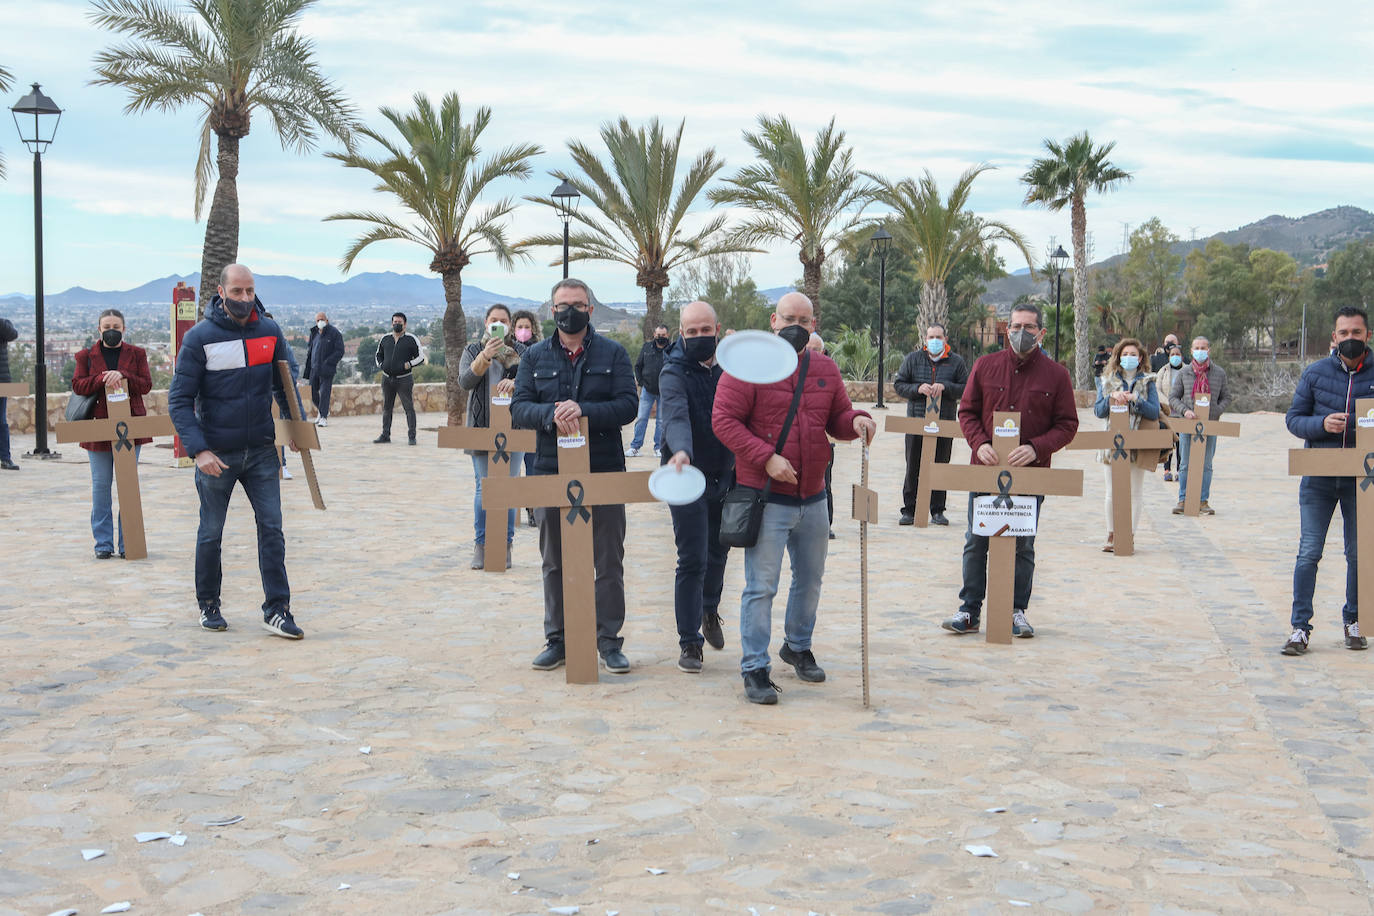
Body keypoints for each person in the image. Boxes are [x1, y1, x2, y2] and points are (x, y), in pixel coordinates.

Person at [713, 292, 875, 705]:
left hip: (814, 495)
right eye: (789, 318)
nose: (796, 326)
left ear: (813, 324)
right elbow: (724, 421)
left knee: (811, 579)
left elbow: (837, 416)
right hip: (767, 497)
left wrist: (857, 420)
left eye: (804, 320)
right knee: (761, 586)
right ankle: (754, 667)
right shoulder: (747, 368)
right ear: (773, 319)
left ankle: (797, 645)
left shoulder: (823, 367)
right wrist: (765, 458)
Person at [168, 264, 303, 639]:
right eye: (238, 291)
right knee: (211, 532)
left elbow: (285, 385)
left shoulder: (270, 331)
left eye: (250, 291)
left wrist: (297, 427)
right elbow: (179, 400)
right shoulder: (200, 338)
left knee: (272, 529)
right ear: (221, 291)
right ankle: (208, 604)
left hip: (261, 451)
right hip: (216, 454)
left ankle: (277, 610)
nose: (245, 299)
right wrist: (198, 451)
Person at [511, 278, 638, 674]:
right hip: (550, 471)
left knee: (608, 561)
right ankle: (558, 639)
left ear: (590, 309)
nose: (570, 311)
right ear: (552, 310)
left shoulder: (614, 353)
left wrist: (580, 410)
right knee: (554, 561)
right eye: (563, 304)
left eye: (578, 304)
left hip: (603, 470)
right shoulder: (533, 358)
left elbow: (628, 406)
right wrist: (552, 414)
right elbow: (519, 408)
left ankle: (609, 641)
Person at [942, 303, 1078, 639]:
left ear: (1041, 332)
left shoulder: (1057, 375)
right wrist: (979, 443)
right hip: (985, 473)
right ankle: (969, 610)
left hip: (1030, 477)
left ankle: (1017, 610)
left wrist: (1036, 446)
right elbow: (967, 412)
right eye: (1016, 326)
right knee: (976, 540)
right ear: (1007, 329)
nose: (1021, 333)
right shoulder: (985, 366)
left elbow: (1067, 424)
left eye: (1029, 327)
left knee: (1024, 545)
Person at [1281, 305, 1372, 656]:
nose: (1350, 339)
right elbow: (1293, 419)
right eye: (1344, 333)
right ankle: (1300, 628)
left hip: (1361, 481)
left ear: (1367, 336)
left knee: (1358, 553)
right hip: (1318, 478)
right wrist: (1321, 425)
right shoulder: (1315, 373)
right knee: (1308, 553)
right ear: (1334, 337)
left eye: (1357, 333)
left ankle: (1355, 620)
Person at [660, 301, 734, 672]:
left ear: (717, 328)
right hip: (683, 473)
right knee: (692, 557)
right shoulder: (672, 370)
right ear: (681, 333)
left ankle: (709, 608)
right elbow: (674, 413)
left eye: (706, 331)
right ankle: (690, 642)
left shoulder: (731, 368)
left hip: (727, 472)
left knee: (719, 550)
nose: (700, 337)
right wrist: (682, 451)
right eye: (692, 332)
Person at [71, 309, 153, 558]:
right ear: (99, 329)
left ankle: (128, 542)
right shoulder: (85, 356)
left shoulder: (137, 354)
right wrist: (102, 378)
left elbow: (146, 385)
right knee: (101, 487)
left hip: (130, 429)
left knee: (127, 486)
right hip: (98, 429)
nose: (111, 329)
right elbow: (78, 385)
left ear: (124, 328)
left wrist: (123, 375)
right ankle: (103, 544)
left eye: (116, 325)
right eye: (106, 326)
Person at [458, 304, 528, 569]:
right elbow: (464, 382)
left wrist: (517, 383)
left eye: (503, 321)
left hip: (514, 430)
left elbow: (534, 382)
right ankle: (481, 544)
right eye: (493, 320)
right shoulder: (473, 350)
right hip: (480, 428)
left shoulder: (521, 352)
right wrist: (485, 357)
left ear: (510, 325)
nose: (498, 324)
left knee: (508, 490)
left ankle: (506, 544)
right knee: (483, 489)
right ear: (486, 322)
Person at [892, 322, 969, 526]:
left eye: (939, 337)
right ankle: (909, 510)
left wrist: (946, 387)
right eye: (931, 337)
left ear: (945, 340)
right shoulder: (913, 359)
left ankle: (937, 510)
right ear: (925, 340)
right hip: (916, 422)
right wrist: (918, 388)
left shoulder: (956, 362)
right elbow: (899, 385)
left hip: (944, 423)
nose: (935, 341)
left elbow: (966, 388)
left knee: (940, 466)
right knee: (913, 467)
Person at [1092, 338, 1160, 552]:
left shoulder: (1148, 382)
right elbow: (1098, 411)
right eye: (1125, 354)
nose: (1128, 357)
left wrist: (1134, 399)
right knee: (1111, 491)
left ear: (1140, 358)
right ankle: (1112, 534)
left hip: (1137, 442)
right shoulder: (1108, 380)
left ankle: (1129, 535)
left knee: (1135, 492)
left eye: (1133, 354)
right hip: (1112, 443)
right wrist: (1112, 397)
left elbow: (1154, 411)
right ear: (1118, 357)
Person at [1169, 336, 1230, 515]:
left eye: (1203, 347)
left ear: (1209, 350)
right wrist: (1185, 411)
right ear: (1191, 351)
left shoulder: (1219, 373)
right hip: (1188, 425)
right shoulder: (1184, 373)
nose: (1200, 350)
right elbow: (1173, 397)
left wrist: (1216, 410)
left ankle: (1203, 501)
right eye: (1197, 347)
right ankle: (1183, 499)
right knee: (1185, 463)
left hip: (1210, 425)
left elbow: (1227, 397)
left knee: (1207, 464)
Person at [374, 312, 426, 445]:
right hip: (387, 379)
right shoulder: (385, 339)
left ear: (405, 324)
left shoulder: (411, 339)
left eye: (399, 322)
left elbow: (420, 357)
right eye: (395, 322)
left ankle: (412, 436)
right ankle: (385, 435)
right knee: (387, 408)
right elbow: (378, 354)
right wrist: (381, 365)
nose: (397, 324)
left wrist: (409, 364)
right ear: (392, 323)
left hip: (404, 379)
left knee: (409, 408)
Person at [512, 308, 542, 528]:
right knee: (511, 469)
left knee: (533, 467)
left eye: (527, 327)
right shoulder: (504, 351)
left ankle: (533, 510)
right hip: (510, 420)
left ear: (533, 329)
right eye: (519, 327)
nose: (523, 331)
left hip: (532, 418)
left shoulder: (541, 352)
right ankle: (510, 510)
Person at [807, 332, 838, 539]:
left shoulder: (830, 374)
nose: (810, 353)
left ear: (823, 352)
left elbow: (840, 410)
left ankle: (825, 524)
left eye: (815, 350)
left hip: (822, 444)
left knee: (825, 485)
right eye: (807, 349)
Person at [626, 323, 670, 457]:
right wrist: (640, 382)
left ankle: (659, 448)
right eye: (658, 335)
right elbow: (638, 366)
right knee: (641, 418)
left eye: (663, 335)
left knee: (661, 421)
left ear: (667, 335)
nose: (660, 337)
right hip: (647, 390)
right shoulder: (646, 347)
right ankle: (635, 447)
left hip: (665, 391)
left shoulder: (672, 350)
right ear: (654, 335)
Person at [303, 311, 344, 427]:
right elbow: (310, 351)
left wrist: (329, 362)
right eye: (317, 320)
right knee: (312, 393)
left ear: (327, 320)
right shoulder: (314, 333)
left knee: (325, 392)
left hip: (327, 369)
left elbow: (340, 351)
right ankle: (322, 411)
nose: (320, 322)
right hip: (314, 368)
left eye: (322, 319)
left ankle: (323, 417)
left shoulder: (334, 333)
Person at [1154, 344, 1184, 481]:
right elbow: (1157, 389)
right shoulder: (1163, 371)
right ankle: (1167, 470)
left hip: (1181, 413)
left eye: (1177, 354)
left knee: (1180, 443)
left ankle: (1179, 470)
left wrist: (1179, 404)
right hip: (1167, 413)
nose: (1175, 357)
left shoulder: (1187, 370)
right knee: (1168, 441)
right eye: (1172, 355)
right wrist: (1167, 402)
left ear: (1182, 356)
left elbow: (1189, 390)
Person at [0, 315, 17, 470]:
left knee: (1, 421)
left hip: (1, 380)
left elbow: (13, 334)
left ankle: (5, 458)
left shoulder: (2, 324)